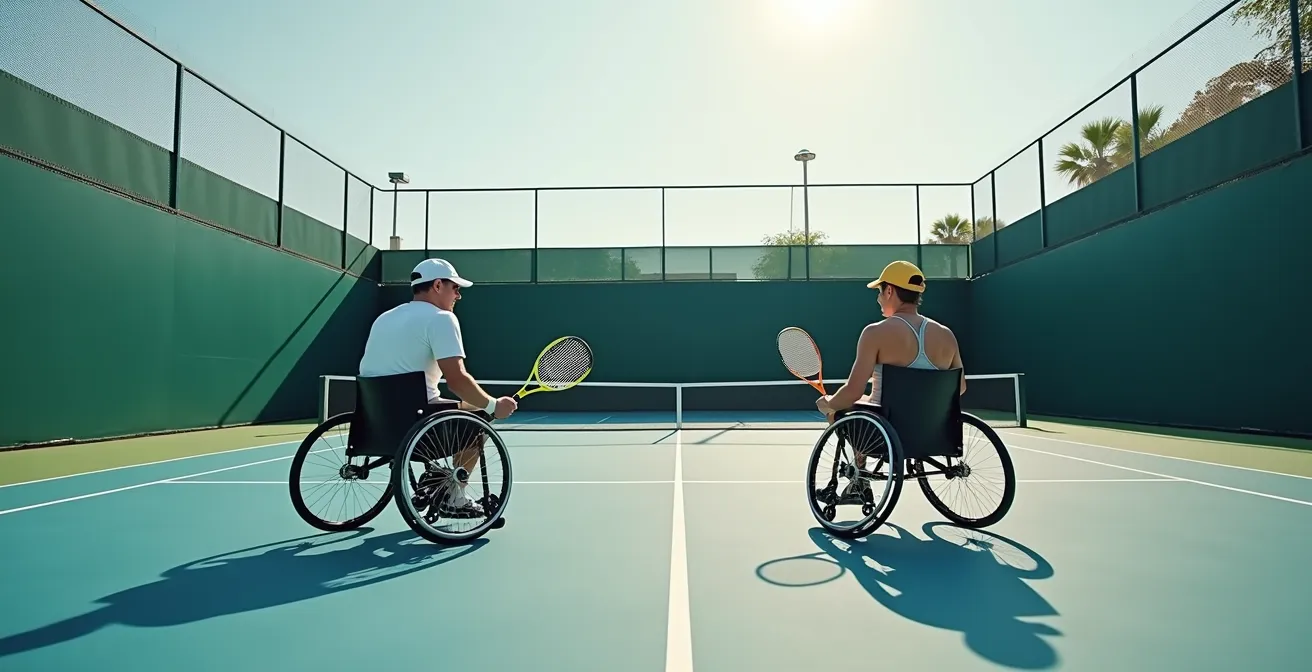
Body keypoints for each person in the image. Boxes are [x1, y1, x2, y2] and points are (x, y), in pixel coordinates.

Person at [357, 258, 517, 518]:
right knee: (480, 419)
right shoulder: (443, 319)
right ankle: (454, 496)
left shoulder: (384, 318)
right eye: (456, 288)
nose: (459, 296)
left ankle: (437, 477)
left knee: (469, 406)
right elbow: (457, 380)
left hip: (376, 425)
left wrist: (483, 401)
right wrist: (493, 405)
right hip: (417, 423)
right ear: (438, 285)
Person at [816, 259, 965, 419]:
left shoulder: (874, 333)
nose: (878, 299)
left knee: (836, 411)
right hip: (934, 436)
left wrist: (829, 403)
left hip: (883, 434)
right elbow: (960, 387)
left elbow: (853, 392)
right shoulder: (947, 335)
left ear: (889, 291)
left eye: (879, 292)